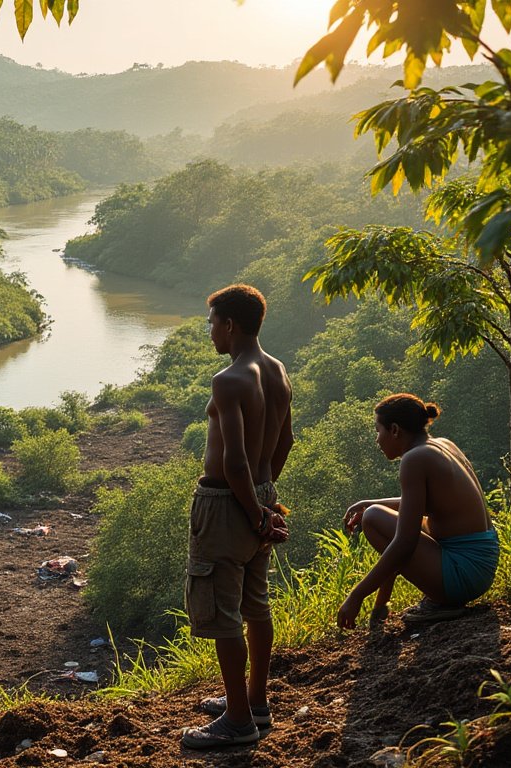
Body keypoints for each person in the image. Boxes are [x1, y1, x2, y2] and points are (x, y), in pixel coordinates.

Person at [180, 284, 294, 750]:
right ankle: (254, 703)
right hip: (260, 495)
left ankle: (238, 722)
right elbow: (284, 442)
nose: (209, 333)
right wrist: (266, 506)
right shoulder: (277, 371)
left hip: (228, 504)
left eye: (212, 323)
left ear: (230, 325)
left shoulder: (229, 380)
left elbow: (233, 462)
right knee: (255, 602)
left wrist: (252, 514)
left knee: (223, 611)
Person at [338, 394, 498, 629]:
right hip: (482, 562)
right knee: (374, 513)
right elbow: (419, 504)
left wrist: (356, 596)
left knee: (373, 517)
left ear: (394, 430)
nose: (377, 440)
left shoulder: (414, 459)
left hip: (464, 574)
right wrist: (367, 502)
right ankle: (382, 609)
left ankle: (444, 602)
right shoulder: (442, 445)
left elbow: (404, 541)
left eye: (377, 430)